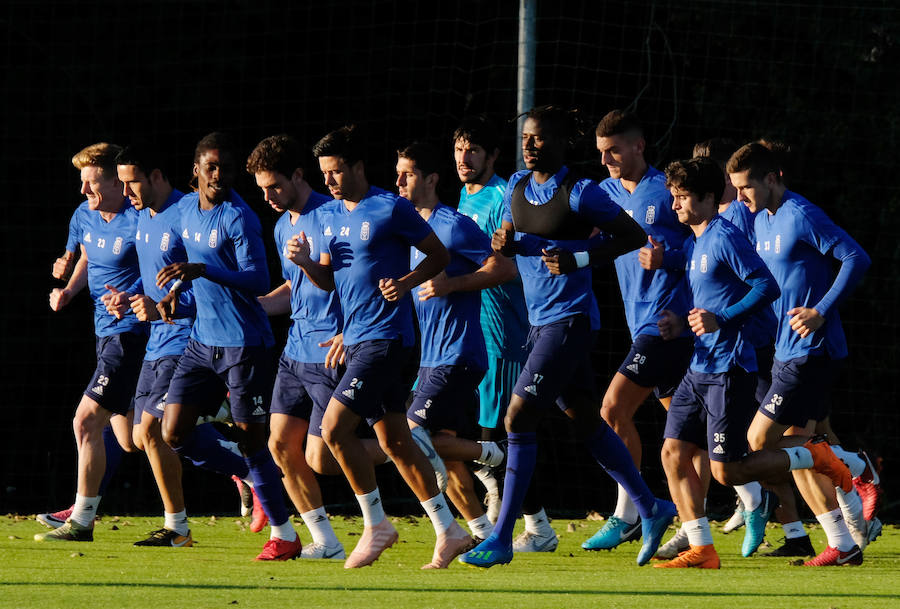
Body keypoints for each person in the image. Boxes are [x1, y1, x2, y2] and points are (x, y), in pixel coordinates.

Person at [459, 105, 677, 569]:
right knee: (588, 424)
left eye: (538, 138)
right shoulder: (516, 187)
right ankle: (652, 507)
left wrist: (578, 257)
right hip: (538, 323)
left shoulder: (581, 193)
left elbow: (632, 235)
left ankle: (502, 538)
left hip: (571, 321)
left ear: (561, 144)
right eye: (526, 138)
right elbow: (529, 243)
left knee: (517, 418)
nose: (529, 144)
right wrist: (505, 243)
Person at [289, 125, 471, 569]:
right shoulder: (330, 216)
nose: (328, 181)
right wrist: (305, 262)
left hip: (388, 339)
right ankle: (448, 530)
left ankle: (376, 525)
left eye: (335, 172)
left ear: (356, 167)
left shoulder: (391, 209)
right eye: (323, 174)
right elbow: (330, 280)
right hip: (357, 341)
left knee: (333, 431)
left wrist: (406, 283)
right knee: (395, 442)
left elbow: (439, 256)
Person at [727, 142, 873, 566]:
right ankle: (841, 544)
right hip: (784, 350)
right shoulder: (762, 220)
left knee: (759, 440)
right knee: (798, 451)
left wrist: (820, 311)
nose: (740, 198)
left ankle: (855, 465)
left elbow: (855, 257)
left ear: (772, 179)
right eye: (735, 189)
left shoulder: (801, 214)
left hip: (813, 350)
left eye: (746, 188)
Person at [154, 132, 298, 561]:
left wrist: (203, 269)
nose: (219, 175)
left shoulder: (240, 218)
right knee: (173, 432)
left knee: (255, 442)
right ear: (195, 170)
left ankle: (285, 534)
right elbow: (187, 268)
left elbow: (256, 279)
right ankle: (248, 477)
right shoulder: (184, 209)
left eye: (226, 168)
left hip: (244, 344)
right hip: (202, 341)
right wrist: (176, 291)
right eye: (211, 167)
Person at [653, 157, 783, 567]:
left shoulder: (725, 237)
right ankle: (702, 547)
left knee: (726, 472)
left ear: (709, 198)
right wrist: (682, 321)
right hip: (700, 366)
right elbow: (711, 300)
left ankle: (815, 457)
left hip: (730, 369)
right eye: (673, 197)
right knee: (672, 453)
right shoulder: (696, 240)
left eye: (684, 197)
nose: (676, 205)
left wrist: (721, 319)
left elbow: (767, 286)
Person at [582, 110, 694, 552]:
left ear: (639, 146)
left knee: (611, 411)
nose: (607, 159)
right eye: (601, 153)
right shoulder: (604, 194)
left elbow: (706, 241)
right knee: (686, 433)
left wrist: (670, 259)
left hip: (668, 325)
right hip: (639, 325)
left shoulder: (666, 190)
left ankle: (629, 513)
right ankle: (737, 502)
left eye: (614, 151)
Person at [397, 141, 514, 542]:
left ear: (431, 179)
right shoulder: (406, 228)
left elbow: (505, 267)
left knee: (410, 434)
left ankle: (492, 453)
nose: (398, 182)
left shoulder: (455, 224)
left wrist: (453, 284)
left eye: (407, 174)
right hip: (430, 358)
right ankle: (481, 533)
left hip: (460, 354)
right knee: (443, 447)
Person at [453, 115, 557, 548]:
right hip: (467, 333)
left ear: (493, 156)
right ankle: (501, 503)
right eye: (459, 149)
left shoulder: (502, 197)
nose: (464, 158)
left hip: (503, 333)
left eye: (473, 150)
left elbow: (511, 266)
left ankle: (536, 526)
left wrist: (450, 283)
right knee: (474, 433)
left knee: (499, 433)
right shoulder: (463, 196)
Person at [35, 143, 145, 542]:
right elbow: (82, 256)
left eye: (92, 183)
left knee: (85, 421)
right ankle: (238, 460)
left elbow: (161, 271)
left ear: (118, 182)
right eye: (82, 182)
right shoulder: (84, 214)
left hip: (132, 333)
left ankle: (81, 519)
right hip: (103, 332)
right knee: (133, 439)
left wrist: (132, 298)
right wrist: (66, 287)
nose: (83, 191)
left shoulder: (139, 220)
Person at [247, 134, 349, 559]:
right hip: (295, 350)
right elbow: (296, 285)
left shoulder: (331, 217)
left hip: (331, 348)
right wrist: (250, 307)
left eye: (275, 186)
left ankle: (418, 446)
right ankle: (324, 541)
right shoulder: (279, 225)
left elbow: (347, 282)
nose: (269, 196)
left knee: (323, 456)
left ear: (298, 175)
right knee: (279, 445)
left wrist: (353, 331)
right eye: (262, 189)